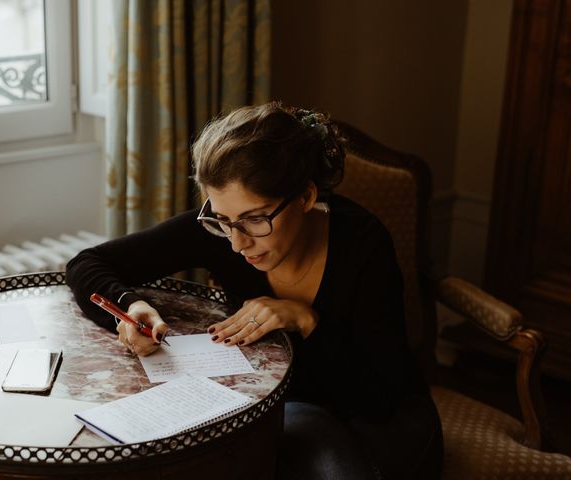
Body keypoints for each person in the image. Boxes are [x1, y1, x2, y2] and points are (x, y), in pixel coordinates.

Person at [66, 102, 443, 479]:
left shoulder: (364, 243)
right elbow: (87, 264)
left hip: (382, 425)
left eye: (255, 219)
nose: (237, 243)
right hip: (286, 418)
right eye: (222, 220)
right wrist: (132, 306)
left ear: (306, 198)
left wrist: (306, 321)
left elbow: (381, 393)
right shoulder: (227, 231)